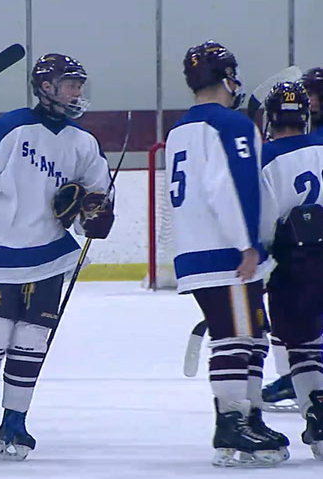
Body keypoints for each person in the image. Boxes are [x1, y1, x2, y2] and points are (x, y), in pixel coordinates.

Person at [0, 53, 113, 461]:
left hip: (49, 259)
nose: (77, 92)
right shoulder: (9, 128)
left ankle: (15, 422)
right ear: (47, 87)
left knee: (31, 343)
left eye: (79, 84)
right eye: (71, 84)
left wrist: (95, 218)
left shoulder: (83, 143)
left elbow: (97, 200)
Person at [163, 41, 286, 467]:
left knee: (250, 338)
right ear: (226, 76)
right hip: (227, 255)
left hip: (198, 251)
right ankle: (231, 424)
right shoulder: (231, 125)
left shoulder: (178, 128)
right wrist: (248, 244)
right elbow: (231, 188)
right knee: (235, 340)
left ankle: (248, 416)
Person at [258, 81, 323, 460]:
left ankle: (317, 413)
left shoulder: (264, 159)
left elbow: (264, 227)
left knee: (302, 346)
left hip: (294, 267)